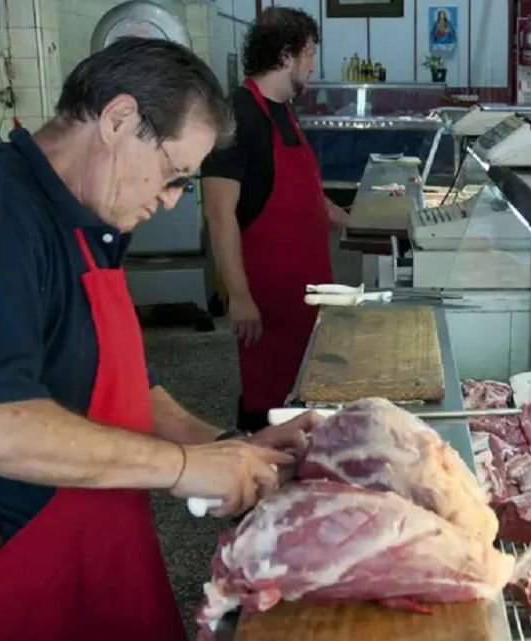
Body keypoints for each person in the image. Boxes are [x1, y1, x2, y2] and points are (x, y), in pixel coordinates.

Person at [0, 37, 319, 641]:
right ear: (118, 119)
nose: (168, 203)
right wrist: (184, 467)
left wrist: (228, 445)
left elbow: (123, 379)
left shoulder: (88, 219)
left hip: (87, 548)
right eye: (172, 175)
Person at [201, 7, 348, 433]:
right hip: (268, 302)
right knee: (268, 407)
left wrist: (338, 215)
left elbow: (298, 187)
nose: (312, 64)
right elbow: (218, 211)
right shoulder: (238, 115)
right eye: (308, 53)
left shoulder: (282, 109)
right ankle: (255, 488)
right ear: (286, 55)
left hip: (305, 295)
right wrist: (239, 295)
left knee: (302, 399)